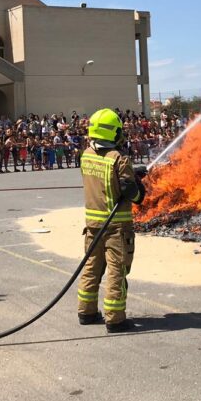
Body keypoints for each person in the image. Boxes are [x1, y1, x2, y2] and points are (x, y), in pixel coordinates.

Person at [77, 108, 146, 333]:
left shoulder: (86, 155)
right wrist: (139, 187)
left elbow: (104, 176)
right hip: (116, 227)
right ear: (113, 133)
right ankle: (115, 319)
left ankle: (86, 312)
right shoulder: (119, 159)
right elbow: (130, 193)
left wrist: (130, 173)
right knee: (117, 271)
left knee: (91, 268)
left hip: (92, 226)